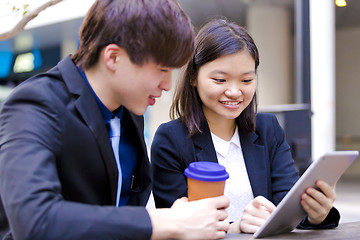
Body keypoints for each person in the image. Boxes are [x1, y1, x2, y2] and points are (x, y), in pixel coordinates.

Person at [0, 1, 231, 239]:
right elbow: (35, 221)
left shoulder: (130, 109)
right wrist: (164, 221)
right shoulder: (34, 104)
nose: (167, 85)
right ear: (113, 57)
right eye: (162, 70)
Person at [151, 18, 340, 234]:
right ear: (194, 77)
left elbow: (286, 207)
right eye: (220, 80)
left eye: (246, 81)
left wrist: (315, 214)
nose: (234, 91)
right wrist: (237, 228)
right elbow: (175, 226)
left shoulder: (268, 130)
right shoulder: (171, 140)